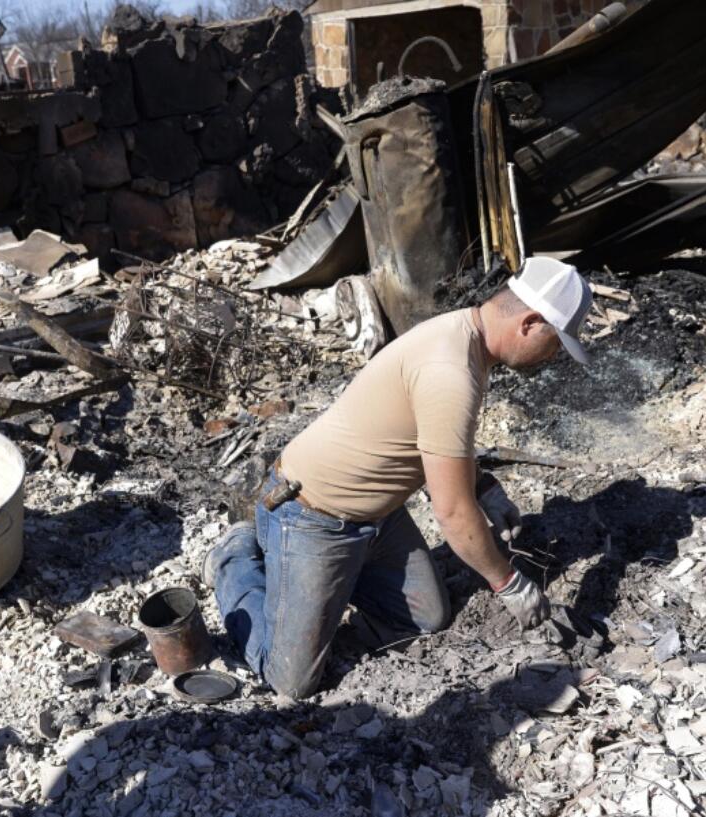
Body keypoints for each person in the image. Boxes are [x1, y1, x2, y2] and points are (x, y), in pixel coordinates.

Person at [202, 257, 593, 699]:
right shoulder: (451, 371)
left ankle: (335, 578)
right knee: (291, 680)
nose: (553, 354)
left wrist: (484, 487)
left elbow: (438, 442)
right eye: (556, 341)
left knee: (425, 619)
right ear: (530, 322)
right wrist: (509, 583)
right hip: (312, 514)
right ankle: (234, 555)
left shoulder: (466, 335)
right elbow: (450, 511)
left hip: (377, 517)